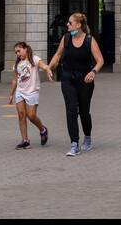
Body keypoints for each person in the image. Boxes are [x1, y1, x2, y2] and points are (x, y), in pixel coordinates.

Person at [46, 12, 103, 157]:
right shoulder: (65, 39)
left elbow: (100, 60)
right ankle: (74, 144)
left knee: (84, 112)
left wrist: (93, 72)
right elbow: (58, 55)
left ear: (78, 25)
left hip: (85, 80)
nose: (67, 25)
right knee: (71, 109)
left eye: (70, 23)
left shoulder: (89, 40)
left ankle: (88, 137)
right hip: (67, 79)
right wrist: (49, 67)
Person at [6, 41, 49, 149]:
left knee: (31, 116)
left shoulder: (34, 59)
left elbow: (43, 66)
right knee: (21, 115)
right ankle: (25, 140)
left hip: (32, 91)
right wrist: (11, 94)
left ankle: (43, 129)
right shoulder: (17, 64)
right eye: (16, 52)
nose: (17, 54)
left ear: (25, 49)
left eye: (19, 51)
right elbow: (15, 80)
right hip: (20, 92)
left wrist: (48, 69)